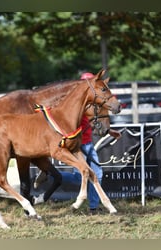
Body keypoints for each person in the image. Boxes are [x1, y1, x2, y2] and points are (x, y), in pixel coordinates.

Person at [34, 72, 121, 215]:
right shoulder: (75, 103)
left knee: (94, 174)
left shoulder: (91, 102)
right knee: (85, 175)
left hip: (87, 142)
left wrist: (109, 131)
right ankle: (51, 174)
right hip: (77, 143)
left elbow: (96, 120)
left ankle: (93, 207)